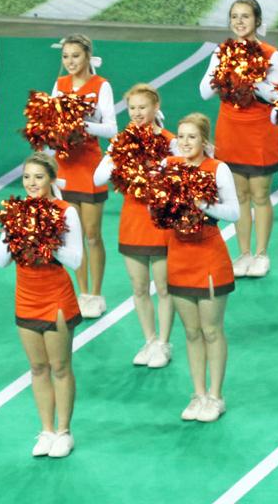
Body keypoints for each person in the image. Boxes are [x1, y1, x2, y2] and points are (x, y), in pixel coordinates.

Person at [0, 153, 83, 458]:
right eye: (27, 177)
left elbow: (76, 260)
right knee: (37, 368)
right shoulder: (16, 211)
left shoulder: (66, 212)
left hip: (56, 296)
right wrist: (14, 230)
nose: (32, 183)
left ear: (51, 180)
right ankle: (45, 430)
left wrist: (47, 239)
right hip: (26, 298)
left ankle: (64, 431)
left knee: (59, 366)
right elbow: (1, 260)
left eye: (39, 177)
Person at [198, 0, 278, 278]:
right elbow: (204, 92)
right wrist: (222, 68)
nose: (239, 22)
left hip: (259, 131)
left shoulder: (270, 54)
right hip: (230, 130)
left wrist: (252, 79)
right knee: (239, 195)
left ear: (257, 21)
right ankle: (243, 253)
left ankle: (262, 253)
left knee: (260, 194)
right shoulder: (221, 53)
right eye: (234, 16)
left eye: (245, 16)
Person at [164, 113, 239, 423]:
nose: (184, 142)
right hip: (178, 254)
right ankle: (197, 394)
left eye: (191, 137)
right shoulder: (169, 168)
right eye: (181, 136)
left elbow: (233, 211)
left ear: (204, 142)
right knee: (191, 332)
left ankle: (216, 395)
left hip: (209, 254)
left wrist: (200, 204)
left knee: (211, 330)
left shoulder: (218, 169)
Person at [93, 84, 175, 367]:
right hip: (133, 221)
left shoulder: (169, 141)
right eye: (132, 108)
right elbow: (98, 178)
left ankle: (164, 343)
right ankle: (149, 340)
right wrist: (120, 157)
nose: (138, 113)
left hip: (161, 221)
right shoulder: (120, 142)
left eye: (143, 107)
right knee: (139, 287)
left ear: (155, 108)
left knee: (164, 287)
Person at [50, 34, 116, 317]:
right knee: (73, 235)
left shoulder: (101, 86)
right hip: (64, 167)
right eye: (66, 57)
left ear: (88, 56)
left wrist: (82, 124)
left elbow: (111, 128)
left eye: (75, 56)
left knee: (92, 235)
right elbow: (49, 122)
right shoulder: (60, 85)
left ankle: (96, 293)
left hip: (89, 166)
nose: (70, 62)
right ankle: (82, 293)